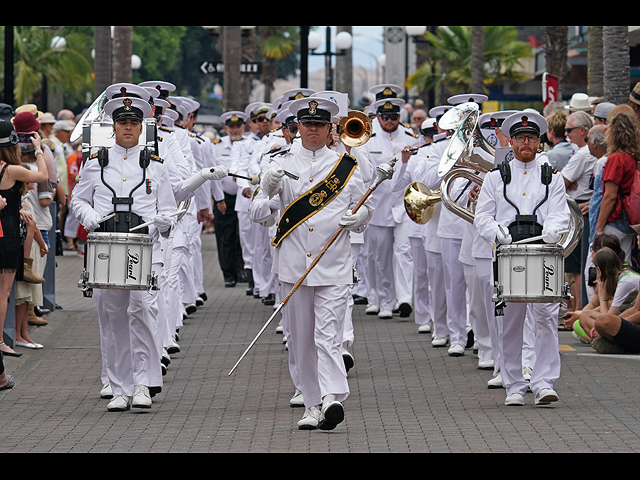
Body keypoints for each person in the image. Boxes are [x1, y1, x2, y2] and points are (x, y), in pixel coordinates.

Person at [250, 96, 374, 431]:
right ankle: (311, 403)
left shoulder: (345, 166)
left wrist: (359, 216)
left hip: (332, 262)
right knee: (301, 339)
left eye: (319, 125)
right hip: (293, 265)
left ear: (330, 128)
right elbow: (258, 214)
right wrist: (267, 188)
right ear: (297, 128)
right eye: (307, 125)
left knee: (328, 334)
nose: (313, 131)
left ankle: (333, 396)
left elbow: (364, 207)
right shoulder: (279, 163)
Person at [70, 91, 177, 412]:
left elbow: (169, 210)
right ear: (113, 127)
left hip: (143, 249)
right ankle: (118, 387)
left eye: (133, 122)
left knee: (143, 315)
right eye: (122, 122)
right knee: (112, 319)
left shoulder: (155, 166)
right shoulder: (95, 162)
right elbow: (77, 200)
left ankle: (143, 383)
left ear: (142, 128)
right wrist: (90, 219)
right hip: (106, 248)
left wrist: (161, 222)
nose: (128, 127)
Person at [474, 111, 570, 407]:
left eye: (530, 138)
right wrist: (499, 233)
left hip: (543, 255)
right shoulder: (494, 177)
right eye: (519, 138)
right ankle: (514, 384)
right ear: (511, 142)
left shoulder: (551, 177)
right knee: (510, 324)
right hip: (509, 255)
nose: (525, 143)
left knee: (545, 320)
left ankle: (543, 383)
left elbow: (559, 213)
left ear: (539, 142)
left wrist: (552, 231)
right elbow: (482, 218)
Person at [354, 96, 420, 319]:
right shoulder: (369, 140)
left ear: (399, 117)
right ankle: (381, 300)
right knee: (378, 257)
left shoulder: (412, 138)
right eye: (385, 117)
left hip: (404, 206)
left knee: (404, 253)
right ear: (378, 117)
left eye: (393, 116)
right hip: (379, 206)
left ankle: (404, 299)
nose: (389, 120)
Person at [0, 121, 49, 358]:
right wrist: (39, 149)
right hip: (7, 236)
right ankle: (0, 340)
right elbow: (42, 176)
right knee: (4, 292)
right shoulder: (10, 170)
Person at [595, 105, 640, 263]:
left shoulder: (616, 159)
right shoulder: (633, 157)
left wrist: (599, 228)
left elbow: (610, 197)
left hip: (614, 220)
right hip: (629, 220)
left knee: (604, 268)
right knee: (623, 264)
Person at [562, 111, 596, 309]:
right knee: (578, 266)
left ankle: (576, 312)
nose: (567, 134)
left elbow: (560, 183)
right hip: (581, 206)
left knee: (576, 267)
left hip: (578, 209)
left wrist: (567, 181)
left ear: (582, 130)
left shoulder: (583, 154)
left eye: (569, 130)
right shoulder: (583, 153)